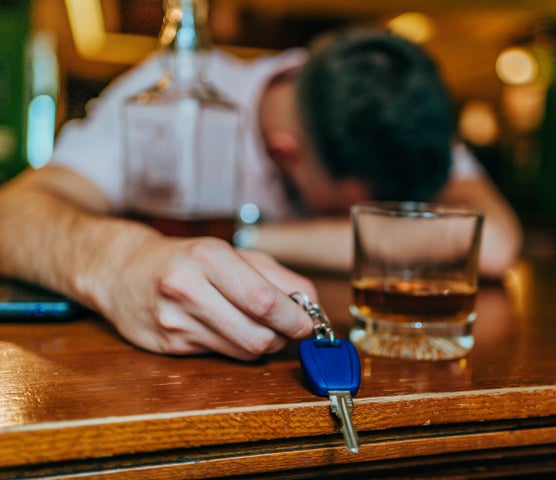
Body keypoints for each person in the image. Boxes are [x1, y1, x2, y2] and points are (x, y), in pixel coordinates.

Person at [0, 27, 522, 361]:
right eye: (352, 208)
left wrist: (248, 236)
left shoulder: (390, 110)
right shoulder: (171, 93)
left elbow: (493, 243)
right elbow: (11, 214)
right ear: (285, 151)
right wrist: (118, 263)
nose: (364, 221)